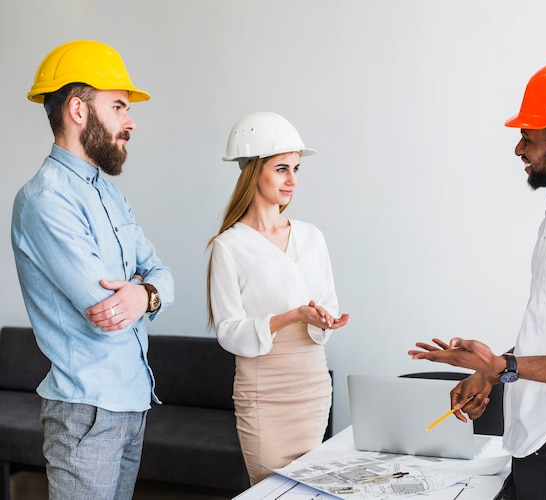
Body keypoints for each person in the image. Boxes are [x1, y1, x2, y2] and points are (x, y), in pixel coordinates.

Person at [408, 60, 546, 500]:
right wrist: (489, 376)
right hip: (545, 425)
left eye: (528, 138)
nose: (518, 149)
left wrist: (502, 367)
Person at [11, 40, 174, 500]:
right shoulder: (45, 200)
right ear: (78, 111)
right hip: (86, 412)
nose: (131, 121)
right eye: (118, 106)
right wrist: (142, 292)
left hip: (130, 403)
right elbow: (106, 311)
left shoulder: (109, 194)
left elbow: (161, 273)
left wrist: (144, 294)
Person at [207, 111, 350, 485]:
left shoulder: (311, 236)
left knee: (309, 489)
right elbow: (228, 331)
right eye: (282, 168)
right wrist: (291, 316)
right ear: (254, 171)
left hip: (312, 386)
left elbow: (327, 302)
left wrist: (323, 319)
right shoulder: (228, 246)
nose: (292, 180)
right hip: (263, 393)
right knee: (269, 490)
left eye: (297, 169)